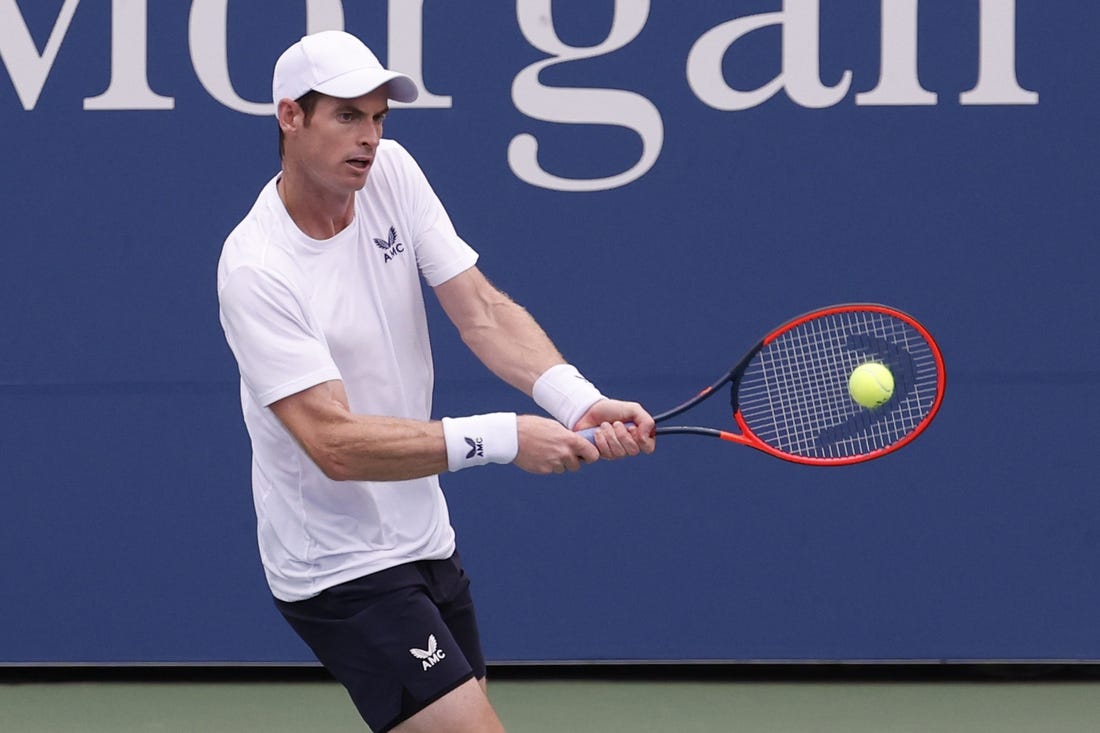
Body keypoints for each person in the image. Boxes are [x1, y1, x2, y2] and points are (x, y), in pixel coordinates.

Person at [217, 30, 656, 733]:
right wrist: (506, 437)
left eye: (378, 117)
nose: (369, 137)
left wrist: (575, 399)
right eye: (347, 116)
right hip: (339, 567)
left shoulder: (392, 173)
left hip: (424, 537)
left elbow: (479, 311)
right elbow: (333, 443)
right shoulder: (258, 269)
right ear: (289, 117)